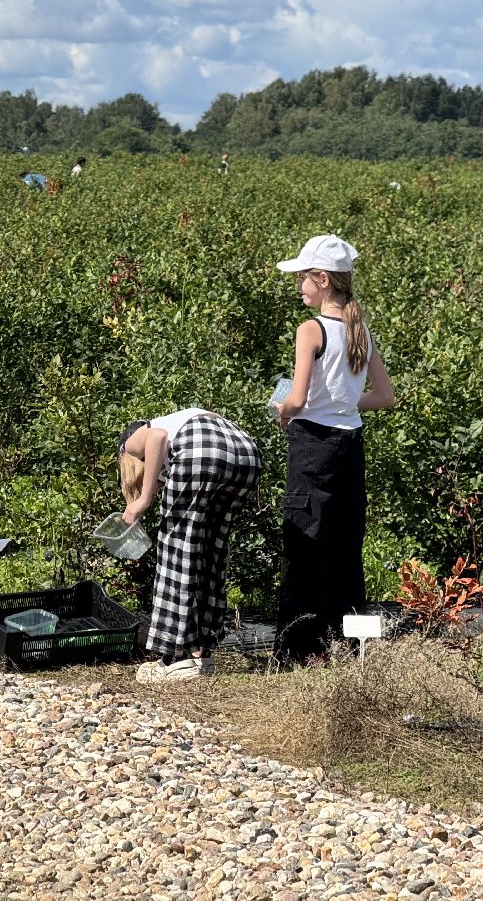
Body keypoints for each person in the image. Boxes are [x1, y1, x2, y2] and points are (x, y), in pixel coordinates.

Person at [273, 234, 396, 664]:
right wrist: (343, 401)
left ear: (323, 280)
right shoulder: (360, 331)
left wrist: (281, 406)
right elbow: (384, 396)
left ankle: (298, 652)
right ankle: (345, 649)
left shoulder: (311, 330)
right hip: (350, 445)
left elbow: (298, 398)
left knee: (306, 541)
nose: (300, 287)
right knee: (346, 546)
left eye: (304, 278)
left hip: (313, 448)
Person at [119, 409, 261, 683]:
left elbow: (157, 437)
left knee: (177, 550)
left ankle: (176, 656)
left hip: (201, 451)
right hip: (246, 456)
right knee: (211, 550)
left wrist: (144, 498)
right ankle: (201, 651)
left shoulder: (133, 440)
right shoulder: (183, 419)